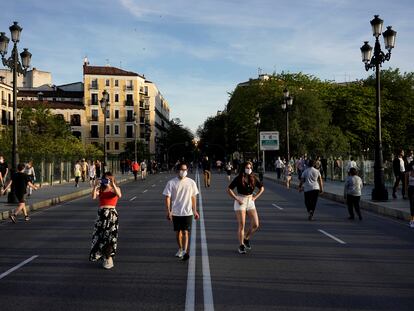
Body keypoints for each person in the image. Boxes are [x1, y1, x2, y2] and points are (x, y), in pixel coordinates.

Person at [163, 163, 199, 261]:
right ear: (177, 171)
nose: (184, 171)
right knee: (178, 232)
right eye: (182, 170)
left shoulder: (191, 182)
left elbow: (193, 197)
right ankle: (180, 248)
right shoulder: (171, 183)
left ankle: (185, 251)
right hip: (176, 212)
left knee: (185, 231)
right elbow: (167, 197)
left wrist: (195, 211)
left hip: (187, 212)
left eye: (185, 169)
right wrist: (169, 211)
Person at [227, 161, 264, 254]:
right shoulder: (239, 178)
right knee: (242, 224)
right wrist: (236, 198)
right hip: (240, 200)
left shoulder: (253, 178)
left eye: (250, 167)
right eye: (247, 167)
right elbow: (229, 189)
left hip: (250, 201)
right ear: (244, 168)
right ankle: (241, 245)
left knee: (256, 224)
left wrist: (255, 197)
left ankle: (246, 238)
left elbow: (262, 188)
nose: (249, 169)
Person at [90, 172, 122, 269]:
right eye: (105, 179)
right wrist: (95, 186)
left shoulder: (115, 189)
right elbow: (93, 197)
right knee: (100, 236)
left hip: (112, 215)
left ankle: (109, 257)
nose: (106, 180)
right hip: (101, 215)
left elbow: (119, 195)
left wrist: (112, 185)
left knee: (110, 237)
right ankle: (103, 256)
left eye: (109, 179)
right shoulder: (101, 189)